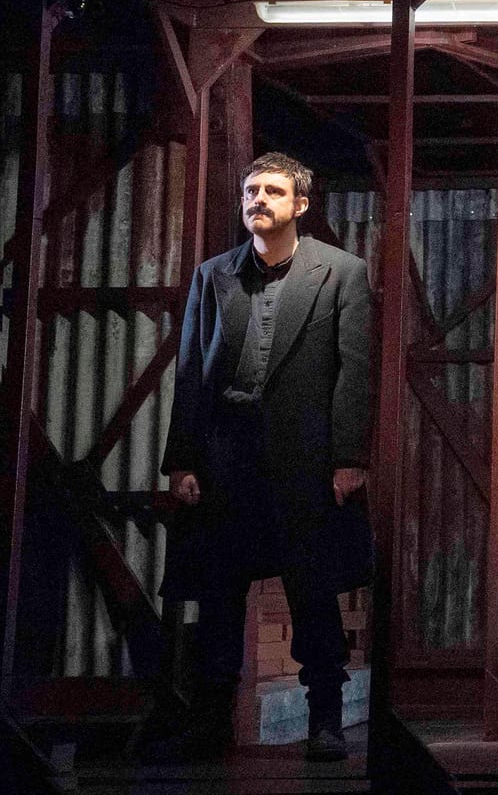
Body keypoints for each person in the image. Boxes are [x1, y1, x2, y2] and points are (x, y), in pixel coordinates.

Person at [147, 153, 375, 764]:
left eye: (272, 191)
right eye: (251, 190)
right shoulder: (213, 274)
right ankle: (209, 725)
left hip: (305, 459)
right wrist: (183, 458)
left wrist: (349, 457)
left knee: (313, 590)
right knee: (219, 594)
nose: (258, 199)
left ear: (300, 204)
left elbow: (355, 372)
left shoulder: (342, 273)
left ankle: (325, 720)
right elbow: (192, 370)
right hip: (227, 458)